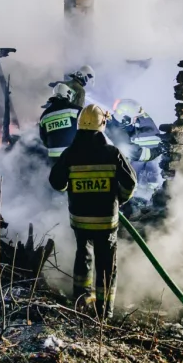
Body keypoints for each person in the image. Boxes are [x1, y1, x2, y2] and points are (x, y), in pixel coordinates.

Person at [49, 104, 137, 320]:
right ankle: (103, 314)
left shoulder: (70, 154)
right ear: (102, 125)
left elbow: (56, 182)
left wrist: (71, 187)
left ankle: (81, 305)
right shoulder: (112, 153)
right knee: (107, 266)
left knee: (83, 258)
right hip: (106, 221)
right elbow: (130, 183)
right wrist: (120, 199)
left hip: (80, 220)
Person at [106, 99, 164, 164]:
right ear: (126, 118)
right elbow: (140, 155)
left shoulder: (113, 121)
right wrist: (160, 149)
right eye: (135, 117)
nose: (136, 119)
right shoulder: (119, 138)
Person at [38, 83, 81, 161]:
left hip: (53, 159)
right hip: (73, 155)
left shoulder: (44, 116)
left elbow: (43, 138)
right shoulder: (76, 110)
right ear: (68, 95)